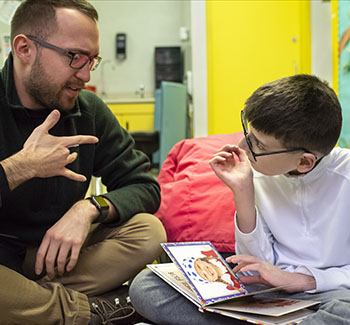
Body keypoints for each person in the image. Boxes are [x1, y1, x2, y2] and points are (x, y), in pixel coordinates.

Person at [129, 74, 350, 325]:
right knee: (149, 285)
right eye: (247, 132)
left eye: (259, 146)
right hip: (265, 290)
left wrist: (300, 280)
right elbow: (255, 265)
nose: (242, 146)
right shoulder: (259, 171)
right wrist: (243, 191)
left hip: (331, 294)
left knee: (344, 312)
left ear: (304, 162)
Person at [0, 0, 166, 324]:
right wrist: (21, 167)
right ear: (24, 49)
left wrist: (88, 209)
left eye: (93, 60)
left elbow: (144, 185)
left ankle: (31, 305)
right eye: (74, 56)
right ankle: (91, 311)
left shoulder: (88, 110)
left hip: (60, 260)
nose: (86, 74)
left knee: (149, 232)